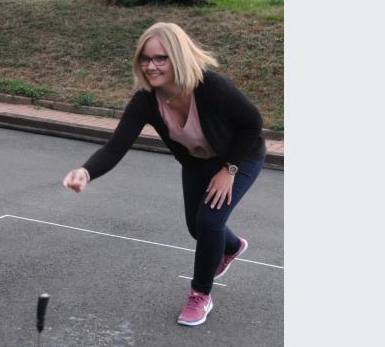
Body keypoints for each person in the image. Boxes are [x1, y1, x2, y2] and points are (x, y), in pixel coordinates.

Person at [62, 22, 266, 327]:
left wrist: (229, 169)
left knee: (209, 221)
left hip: (241, 156)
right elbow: (116, 147)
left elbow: (253, 123)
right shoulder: (146, 100)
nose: (151, 66)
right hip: (198, 161)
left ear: (178, 56)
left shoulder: (211, 87)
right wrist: (85, 171)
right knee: (197, 227)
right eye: (145, 59)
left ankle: (200, 294)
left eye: (160, 58)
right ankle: (233, 246)